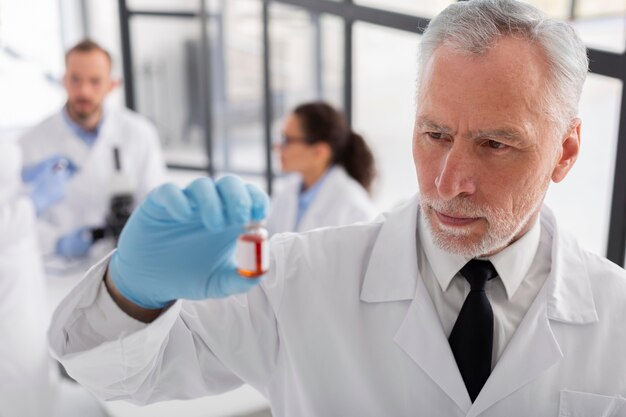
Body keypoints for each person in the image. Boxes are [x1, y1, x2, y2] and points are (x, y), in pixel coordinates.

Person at [49, 1, 626, 415]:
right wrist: (132, 291)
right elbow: (113, 370)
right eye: (434, 134)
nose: (450, 181)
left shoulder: (616, 316)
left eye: (495, 144)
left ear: (566, 150)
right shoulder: (300, 279)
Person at [19, 39, 167, 262]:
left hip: (123, 265)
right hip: (56, 272)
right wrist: (56, 243)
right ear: (64, 80)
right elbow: (13, 222)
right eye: (75, 80)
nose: (84, 91)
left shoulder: (139, 133)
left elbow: (155, 203)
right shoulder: (31, 143)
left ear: (112, 85)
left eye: (95, 81)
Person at [0, 140, 106, 417]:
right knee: (15, 375)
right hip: (7, 276)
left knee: (33, 365)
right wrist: (33, 203)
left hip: (19, 272)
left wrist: (22, 176)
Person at [267, 101, 376, 234]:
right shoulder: (288, 191)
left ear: (320, 152)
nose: (277, 147)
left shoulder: (353, 207)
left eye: (287, 140)